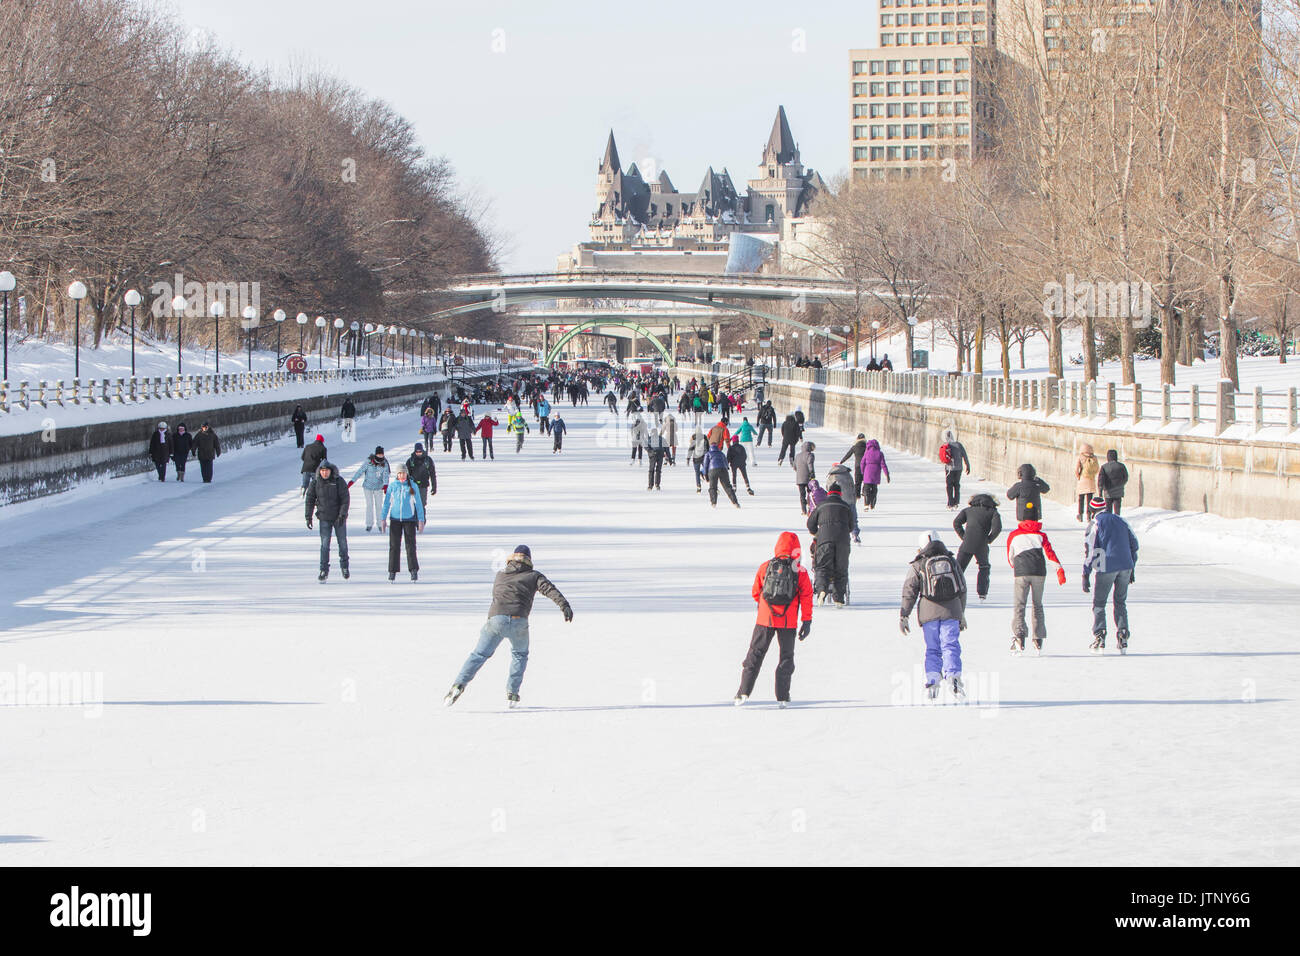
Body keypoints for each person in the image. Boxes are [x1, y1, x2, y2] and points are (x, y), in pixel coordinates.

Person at [443, 545, 573, 709]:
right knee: (519, 654)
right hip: (519, 620)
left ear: (512, 558)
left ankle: (458, 685)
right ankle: (512, 693)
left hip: (496, 619)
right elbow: (549, 589)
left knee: (479, 655)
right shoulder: (533, 576)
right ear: (529, 560)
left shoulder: (501, 574)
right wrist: (564, 605)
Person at [734, 531, 813, 707]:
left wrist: (765, 607)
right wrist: (806, 621)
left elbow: (756, 592)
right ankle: (783, 696)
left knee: (755, 653)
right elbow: (807, 596)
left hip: (765, 620)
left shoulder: (765, 566)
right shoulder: (799, 571)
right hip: (788, 622)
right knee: (786, 657)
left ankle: (743, 692)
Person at [899, 531, 968, 699]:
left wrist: (904, 615)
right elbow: (962, 588)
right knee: (950, 645)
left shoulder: (918, 565)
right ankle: (953, 676)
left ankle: (932, 679)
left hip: (928, 613)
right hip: (952, 611)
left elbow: (909, 592)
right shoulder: (951, 561)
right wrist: (961, 613)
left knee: (933, 648)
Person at [1083, 505, 1139, 654]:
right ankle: (1123, 635)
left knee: (1099, 603)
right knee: (1120, 602)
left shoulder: (1095, 523)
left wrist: (1086, 574)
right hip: (1126, 565)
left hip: (1106, 566)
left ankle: (1100, 636)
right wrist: (1132, 567)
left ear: (1092, 511)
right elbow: (1134, 544)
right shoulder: (1121, 520)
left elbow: (1091, 550)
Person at [1005, 517, 1066, 654]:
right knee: (1037, 604)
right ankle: (1038, 639)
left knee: (1020, 605)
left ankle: (1019, 636)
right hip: (1039, 572)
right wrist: (1059, 569)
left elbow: (1010, 556)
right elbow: (1050, 554)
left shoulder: (1014, 535)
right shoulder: (1041, 535)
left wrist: (1017, 567)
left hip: (1021, 573)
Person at [807, 482, 853, 606]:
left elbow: (810, 523)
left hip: (824, 541)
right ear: (840, 494)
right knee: (841, 568)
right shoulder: (846, 506)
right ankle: (838, 598)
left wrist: (817, 533)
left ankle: (822, 590)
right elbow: (851, 526)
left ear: (829, 494)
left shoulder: (821, 506)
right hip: (843, 541)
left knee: (822, 567)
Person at [380, 462, 425, 582]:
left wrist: (421, 520)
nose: (402, 475)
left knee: (410, 546)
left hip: (409, 519)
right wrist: (383, 518)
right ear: (397, 474)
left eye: (404, 473)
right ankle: (392, 571)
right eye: (400, 473)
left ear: (407, 473)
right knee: (394, 546)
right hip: (395, 519)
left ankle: (413, 570)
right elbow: (386, 504)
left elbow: (418, 503)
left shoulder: (411, 486)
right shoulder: (393, 486)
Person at [305, 460, 350, 582]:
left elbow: (345, 499)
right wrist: (308, 516)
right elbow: (309, 499)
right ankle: (324, 569)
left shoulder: (338, 481)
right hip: (324, 517)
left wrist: (342, 515)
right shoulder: (315, 483)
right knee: (325, 545)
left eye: (327, 471)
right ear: (320, 471)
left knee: (342, 543)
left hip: (338, 518)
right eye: (322, 471)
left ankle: (345, 566)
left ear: (331, 471)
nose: (325, 473)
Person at [952, 493, 1002, 601]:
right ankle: (982, 593)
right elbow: (997, 528)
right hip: (982, 544)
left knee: (958, 568)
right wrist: (989, 539)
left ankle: (953, 590)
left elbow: (956, 523)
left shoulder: (968, 510)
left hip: (967, 543)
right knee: (984, 567)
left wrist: (963, 536)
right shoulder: (993, 512)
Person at [351, 446, 390, 532]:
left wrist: (386, 486)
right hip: (368, 487)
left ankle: (380, 524)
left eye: (381, 454)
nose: (380, 456)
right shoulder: (368, 462)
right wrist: (352, 482)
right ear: (376, 454)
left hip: (378, 487)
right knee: (369, 505)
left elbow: (386, 475)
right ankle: (369, 524)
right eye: (378, 454)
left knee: (379, 506)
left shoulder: (385, 463)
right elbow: (360, 471)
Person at [939, 430, 971, 510]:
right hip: (959, 468)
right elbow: (965, 455)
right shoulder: (959, 445)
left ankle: (950, 503)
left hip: (949, 469)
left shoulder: (946, 445)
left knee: (949, 486)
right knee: (956, 485)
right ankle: (956, 502)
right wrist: (968, 465)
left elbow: (941, 457)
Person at [704, 442, 740, 508]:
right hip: (723, 470)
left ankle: (713, 503)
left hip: (712, 471)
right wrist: (726, 468)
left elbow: (705, 465)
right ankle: (735, 503)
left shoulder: (708, 454)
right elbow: (726, 463)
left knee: (713, 487)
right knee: (728, 487)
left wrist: (706, 475)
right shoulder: (721, 453)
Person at [859, 438, 889, 509]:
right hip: (876, 473)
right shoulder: (880, 453)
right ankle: (872, 504)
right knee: (874, 488)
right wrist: (887, 474)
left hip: (867, 472)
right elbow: (883, 464)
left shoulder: (866, 453)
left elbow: (862, 463)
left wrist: (862, 472)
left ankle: (866, 503)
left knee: (866, 488)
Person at [405, 443, 437, 509]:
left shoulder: (428, 460)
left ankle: (422, 518)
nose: (418, 453)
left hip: (424, 485)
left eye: (420, 451)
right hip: (413, 486)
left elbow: (432, 474)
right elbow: (406, 475)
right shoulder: (410, 461)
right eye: (417, 451)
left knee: (422, 504)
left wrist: (434, 487)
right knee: (413, 504)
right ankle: (415, 518)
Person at [1097, 449, 1129, 515]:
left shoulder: (1104, 467)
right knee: (1117, 511)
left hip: (1108, 492)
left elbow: (1101, 479)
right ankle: (1116, 522)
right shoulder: (1121, 466)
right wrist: (1121, 485)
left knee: (1108, 510)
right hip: (1118, 492)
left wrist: (1100, 490)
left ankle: (1109, 523)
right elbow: (1125, 477)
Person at [1074, 442, 1100, 522]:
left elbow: (1076, 470)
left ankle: (1080, 514)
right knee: (1089, 499)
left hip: (1082, 479)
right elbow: (1097, 469)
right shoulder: (1094, 458)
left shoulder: (1081, 457)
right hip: (1091, 480)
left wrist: (1078, 476)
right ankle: (1089, 515)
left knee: (1081, 498)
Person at [794, 440, 816, 515]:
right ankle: (810, 508)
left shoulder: (797, 455)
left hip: (799, 478)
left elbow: (794, 466)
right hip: (808, 478)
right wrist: (812, 474)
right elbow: (810, 465)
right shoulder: (810, 455)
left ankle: (804, 510)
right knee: (810, 493)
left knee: (802, 495)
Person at [646, 425, 669, 490]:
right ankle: (657, 484)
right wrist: (669, 457)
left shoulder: (649, 439)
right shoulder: (661, 438)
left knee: (651, 470)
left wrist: (650, 451)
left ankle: (650, 485)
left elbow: (645, 445)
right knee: (658, 470)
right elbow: (666, 448)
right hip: (660, 455)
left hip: (652, 456)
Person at [688, 428, 709, 492]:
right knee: (707, 469)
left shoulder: (693, 437)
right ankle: (708, 480)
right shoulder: (705, 437)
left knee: (697, 473)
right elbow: (708, 447)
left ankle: (698, 486)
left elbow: (690, 449)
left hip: (696, 457)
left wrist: (688, 458)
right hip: (704, 457)